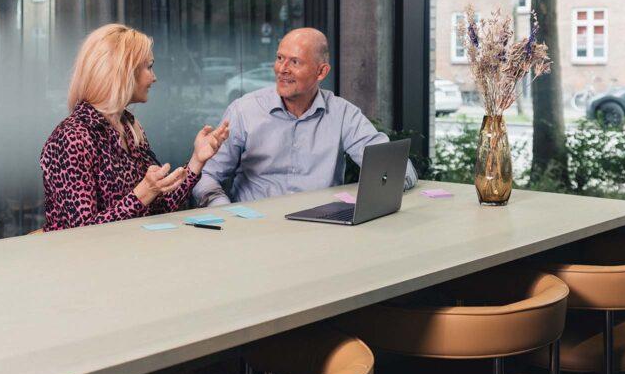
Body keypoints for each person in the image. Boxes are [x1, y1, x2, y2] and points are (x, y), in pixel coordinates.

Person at [192, 28, 417, 206]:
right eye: (280, 58)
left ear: (321, 72)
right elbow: (206, 176)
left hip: (321, 228)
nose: (282, 69)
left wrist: (389, 184)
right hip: (256, 230)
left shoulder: (343, 114)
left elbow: (396, 170)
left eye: (295, 62)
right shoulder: (244, 111)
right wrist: (226, 212)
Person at [41, 24, 230, 231]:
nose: (154, 77)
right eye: (148, 66)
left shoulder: (130, 128)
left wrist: (196, 161)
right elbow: (83, 232)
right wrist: (144, 192)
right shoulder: (72, 138)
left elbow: (158, 209)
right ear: (123, 72)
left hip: (134, 253)